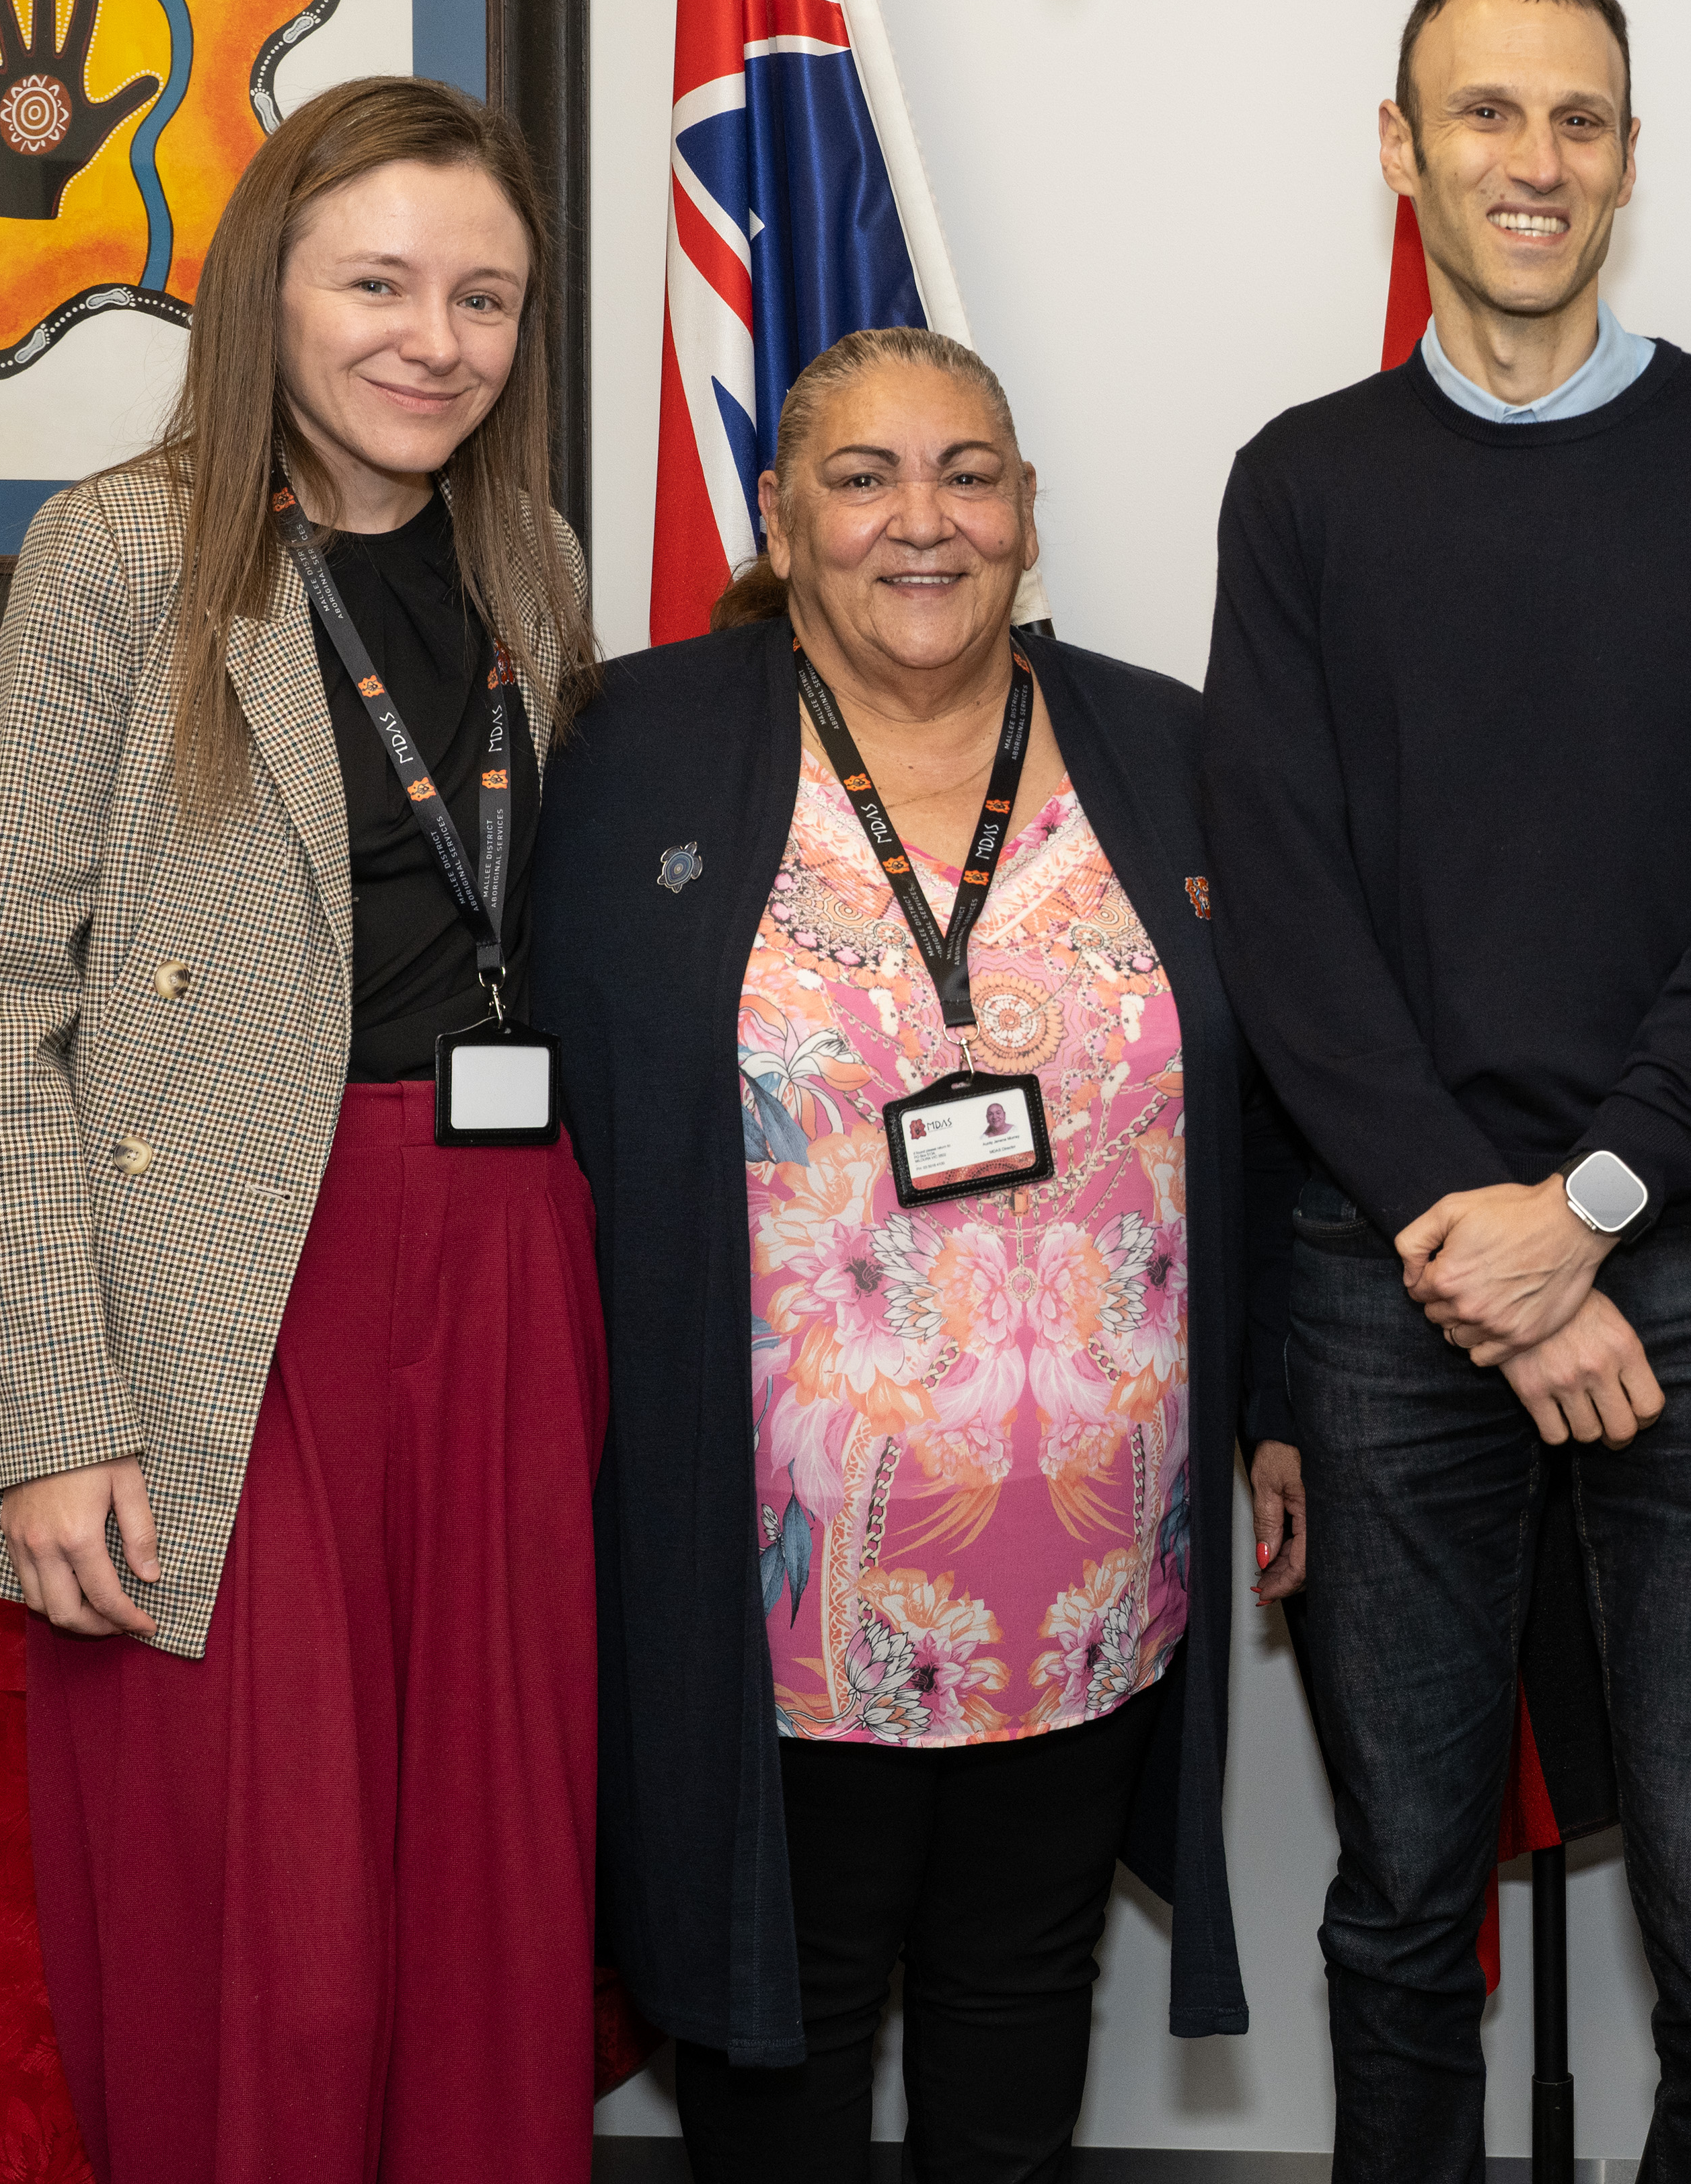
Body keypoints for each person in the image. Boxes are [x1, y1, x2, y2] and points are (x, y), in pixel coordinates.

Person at [1199, 0, 1691, 2175]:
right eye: (1485, 116)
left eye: (1578, 120)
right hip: (1383, 1267)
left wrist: (1583, 1216)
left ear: (1627, 162)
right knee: (1403, 1893)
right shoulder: (1300, 486)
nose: (1535, 161)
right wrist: (1462, 1233)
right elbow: (1284, 915)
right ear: (1400, 154)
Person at [0, 75, 605, 2179]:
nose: (435, 339)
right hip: (232, 1282)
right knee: (266, 1917)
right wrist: (49, 1415)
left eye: (482, 297)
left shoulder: (536, 564)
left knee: (495, 1888)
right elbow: (5, 1005)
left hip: (506, 1261)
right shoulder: (124, 552)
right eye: (378, 281)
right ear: (267, 294)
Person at [538, 329, 1298, 2178]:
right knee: (770, 2037)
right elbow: (556, 1117)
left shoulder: (1166, 744)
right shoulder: (637, 750)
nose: (921, 521)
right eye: (864, 478)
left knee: (1017, 2014)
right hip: (772, 1567)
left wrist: (1276, 1404)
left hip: (1091, 1549)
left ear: (1027, 517)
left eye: (968, 473)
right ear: (782, 519)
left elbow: (1273, 1096)